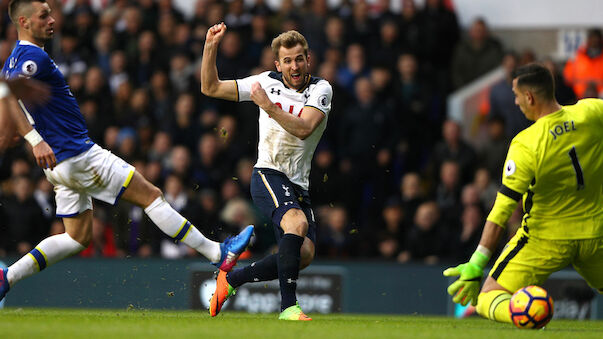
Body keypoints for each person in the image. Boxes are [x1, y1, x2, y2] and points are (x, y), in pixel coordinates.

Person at [0, 0, 254, 304]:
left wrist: (22, 133)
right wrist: (33, 138)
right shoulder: (30, 57)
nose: (52, 20)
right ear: (24, 22)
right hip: (77, 155)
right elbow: (9, 93)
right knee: (151, 196)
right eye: (44, 16)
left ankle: (7, 277)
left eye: (51, 13)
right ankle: (217, 252)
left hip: (59, 165)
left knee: (77, 237)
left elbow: (5, 92)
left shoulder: (15, 58)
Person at [444, 63, 603, 324]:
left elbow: (502, 211)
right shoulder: (592, 111)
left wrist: (476, 262)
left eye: (516, 96)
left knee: (487, 297)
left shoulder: (526, 143)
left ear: (529, 97)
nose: (516, 102)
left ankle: (524, 313)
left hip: (545, 239)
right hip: (597, 235)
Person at [200, 23, 332, 321]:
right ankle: (288, 308)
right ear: (278, 64)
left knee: (305, 255)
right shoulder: (264, 82)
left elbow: (304, 128)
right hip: (268, 173)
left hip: (299, 184)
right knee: (296, 224)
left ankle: (231, 280)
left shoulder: (321, 89)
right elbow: (210, 87)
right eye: (287, 60)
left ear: (308, 59)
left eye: (299, 58)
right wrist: (210, 46)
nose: (294, 65)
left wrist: (268, 107)